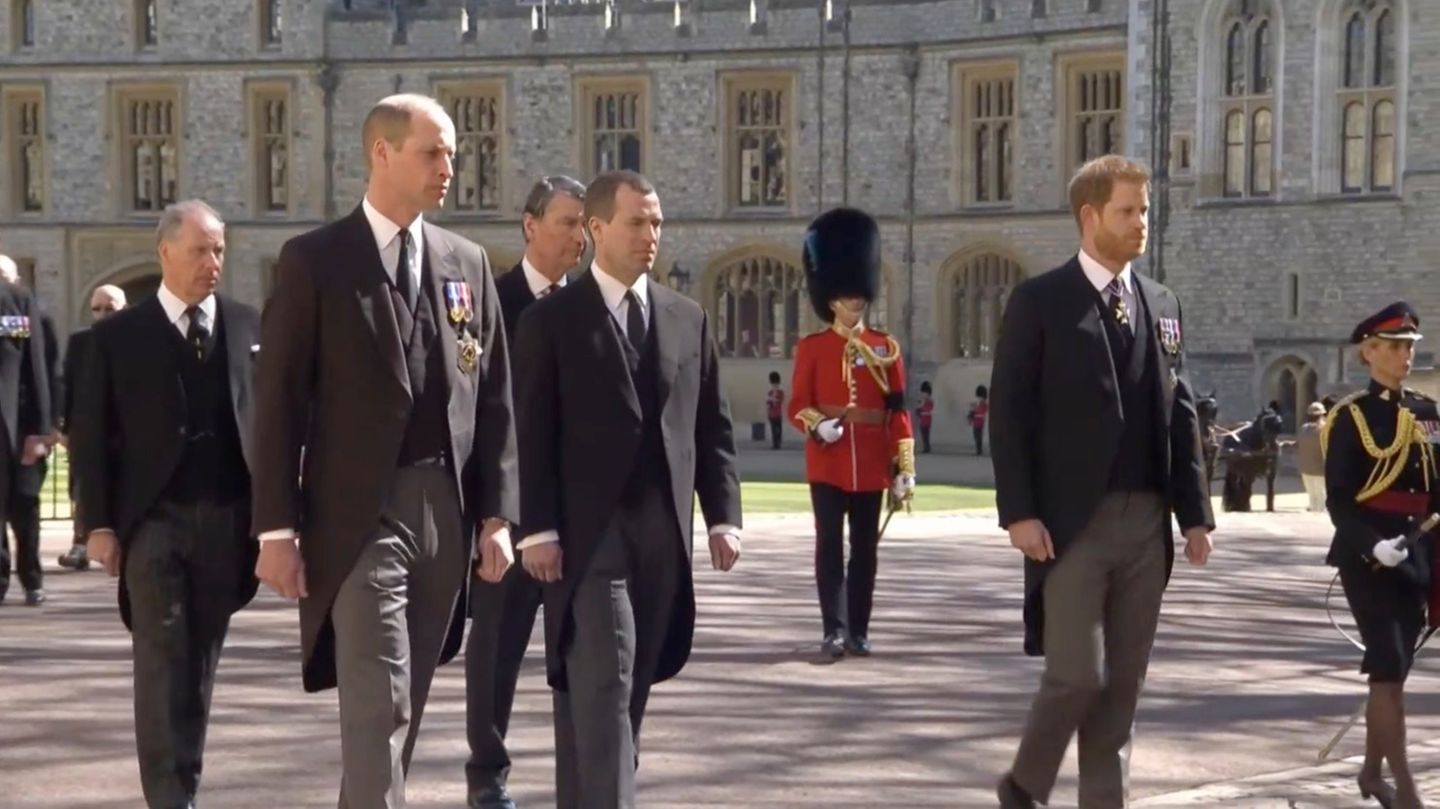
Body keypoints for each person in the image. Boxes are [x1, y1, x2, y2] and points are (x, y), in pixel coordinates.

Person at [251, 93, 519, 808]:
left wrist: (496, 516)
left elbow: (492, 398)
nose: (449, 167)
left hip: (446, 509)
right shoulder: (315, 261)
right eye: (433, 152)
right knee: (379, 707)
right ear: (382, 152)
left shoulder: (466, 262)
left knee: (402, 715)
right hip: (359, 516)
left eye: (454, 153)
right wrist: (275, 530)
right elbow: (276, 403)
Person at [512, 170, 743, 809]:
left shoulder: (686, 317)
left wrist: (724, 516)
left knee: (623, 699)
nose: (651, 235)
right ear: (597, 228)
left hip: (661, 538)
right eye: (637, 222)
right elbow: (530, 434)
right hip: (589, 542)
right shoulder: (551, 321)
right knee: (608, 686)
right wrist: (538, 529)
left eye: (657, 223)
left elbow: (711, 428)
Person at [988, 155, 1214, 809]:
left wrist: (1195, 515)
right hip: (1069, 524)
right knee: (1077, 675)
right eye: (1127, 210)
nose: (1141, 222)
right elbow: (1010, 413)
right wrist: (1019, 513)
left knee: (1122, 690)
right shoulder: (1039, 302)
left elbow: (1182, 409)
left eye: (1145, 209)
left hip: (1148, 524)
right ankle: (1027, 782)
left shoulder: (1163, 304)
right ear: (1090, 217)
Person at [70, 200, 260, 808]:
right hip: (154, 522)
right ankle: (168, 799)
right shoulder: (118, 337)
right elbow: (93, 437)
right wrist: (96, 524)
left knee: (199, 666)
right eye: (201, 249)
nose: (213, 263)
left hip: (227, 520)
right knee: (160, 661)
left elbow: (271, 427)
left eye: (220, 250)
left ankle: (188, 785)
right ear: (166, 253)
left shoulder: (248, 325)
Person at [466, 174, 586, 809]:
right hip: (507, 517)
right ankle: (487, 777)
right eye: (567, 222)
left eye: (584, 223)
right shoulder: (494, 301)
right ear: (530, 225)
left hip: (575, 518)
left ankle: (584, 777)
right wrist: (492, 515)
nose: (579, 236)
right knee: (495, 659)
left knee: (579, 660)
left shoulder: (593, 305)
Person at [1321, 302, 1437, 809]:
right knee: (1388, 664)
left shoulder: (1427, 411)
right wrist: (1371, 544)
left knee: (1397, 667)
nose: (1404, 355)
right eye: (1393, 347)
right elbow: (1339, 499)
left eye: (1409, 347)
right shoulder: (1351, 416)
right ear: (1368, 353)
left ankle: (1371, 773)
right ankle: (1408, 794)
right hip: (1368, 554)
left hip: (1420, 548)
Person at [788, 207, 916, 660]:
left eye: (857, 293)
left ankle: (858, 629)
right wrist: (818, 425)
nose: (853, 301)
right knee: (829, 547)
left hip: (872, 463)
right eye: (844, 294)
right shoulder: (813, 347)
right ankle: (832, 629)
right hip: (827, 461)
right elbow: (797, 405)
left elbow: (898, 413)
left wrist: (904, 469)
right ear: (829, 298)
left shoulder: (886, 348)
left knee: (865, 552)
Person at [56, 284, 128, 571]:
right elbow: (68, 385)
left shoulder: (139, 341)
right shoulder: (81, 342)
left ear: (124, 308)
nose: (102, 314)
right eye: (97, 308)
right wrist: (63, 425)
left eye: (109, 308)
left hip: (126, 430)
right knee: (84, 486)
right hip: (88, 429)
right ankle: (80, 544)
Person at [0, 254, 58, 605]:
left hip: (20, 427)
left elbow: (36, 368)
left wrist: (41, 430)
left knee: (25, 507)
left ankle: (31, 577)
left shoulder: (18, 304)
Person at [1298, 401, 1327, 512]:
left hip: (1306, 469)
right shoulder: (1325, 429)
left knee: (1312, 496)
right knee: (1321, 497)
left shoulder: (1303, 429)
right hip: (1320, 470)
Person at [766, 371, 785, 450]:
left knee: (779, 429)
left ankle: (778, 443)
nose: (774, 386)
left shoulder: (780, 392)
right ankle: (775, 443)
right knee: (773, 430)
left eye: (775, 384)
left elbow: (779, 401)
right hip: (772, 414)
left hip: (778, 413)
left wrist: (773, 397)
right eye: (773, 384)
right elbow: (768, 404)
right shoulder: (770, 392)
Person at [968, 384, 989, 456]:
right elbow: (972, 411)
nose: (980, 398)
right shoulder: (976, 403)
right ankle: (978, 448)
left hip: (980, 421)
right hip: (975, 422)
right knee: (975, 436)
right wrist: (970, 419)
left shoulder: (984, 404)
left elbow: (986, 410)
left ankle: (979, 450)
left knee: (979, 436)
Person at [916, 381, 935, 454]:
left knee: (926, 434)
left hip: (927, 419)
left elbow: (928, 409)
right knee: (923, 434)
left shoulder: (929, 400)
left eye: (925, 393)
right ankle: (925, 446)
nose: (923, 394)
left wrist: (922, 404)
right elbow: (919, 408)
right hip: (922, 419)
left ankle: (927, 447)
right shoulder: (922, 400)